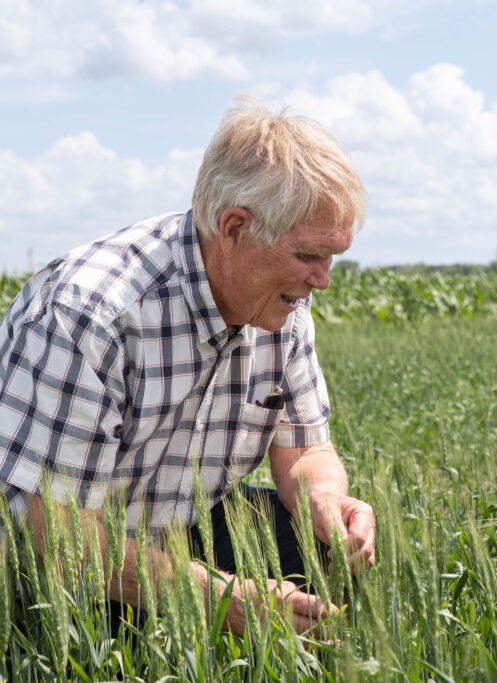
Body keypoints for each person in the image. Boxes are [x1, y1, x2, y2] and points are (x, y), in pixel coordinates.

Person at [0, 98, 375, 635]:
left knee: (329, 558)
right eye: (309, 255)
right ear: (235, 228)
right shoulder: (90, 315)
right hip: (52, 558)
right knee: (103, 640)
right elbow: (58, 540)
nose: (324, 279)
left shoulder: (284, 304)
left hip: (184, 522)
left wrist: (326, 502)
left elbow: (306, 450)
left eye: (332, 255)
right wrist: (218, 597)